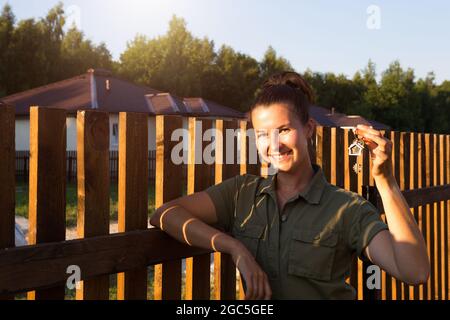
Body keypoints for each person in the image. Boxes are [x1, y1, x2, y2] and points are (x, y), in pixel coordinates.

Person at [150, 71, 429, 300]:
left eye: (284, 130)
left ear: (308, 129)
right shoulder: (241, 193)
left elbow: (414, 272)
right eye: (262, 134)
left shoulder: (347, 209)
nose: (274, 144)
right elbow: (164, 214)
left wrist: (385, 180)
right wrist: (234, 248)